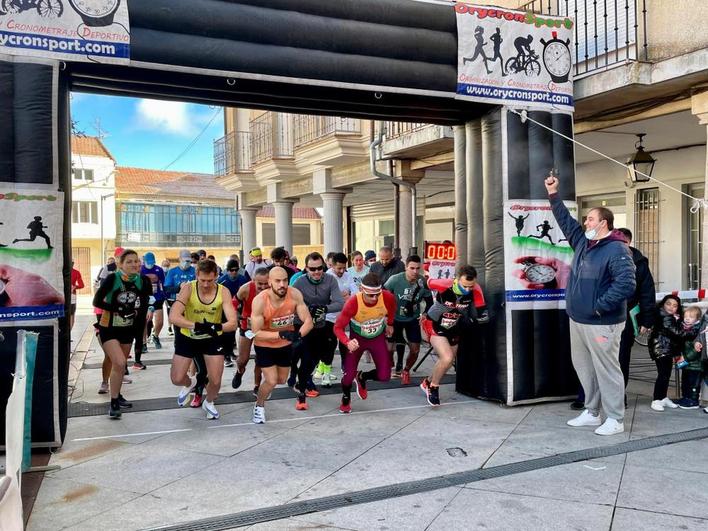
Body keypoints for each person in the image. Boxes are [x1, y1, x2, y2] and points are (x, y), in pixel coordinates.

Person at [545, 173, 636, 436]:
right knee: (585, 369)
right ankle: (593, 412)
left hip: (601, 322)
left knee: (607, 370)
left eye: (591, 218)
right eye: (586, 219)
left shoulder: (617, 249)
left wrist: (598, 306)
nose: (586, 221)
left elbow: (626, 285)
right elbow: (565, 221)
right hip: (579, 319)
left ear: (604, 223)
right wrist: (553, 194)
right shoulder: (584, 243)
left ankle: (615, 419)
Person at [571, 227, 656, 410]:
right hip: (594, 318)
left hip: (622, 317)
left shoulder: (639, 262)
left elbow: (647, 293)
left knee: (619, 360)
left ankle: (618, 399)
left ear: (629, 243)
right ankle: (586, 398)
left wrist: (647, 320)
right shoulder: (598, 253)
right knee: (589, 359)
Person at [168, 259, 237, 420]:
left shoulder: (223, 291)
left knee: (215, 380)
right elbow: (173, 316)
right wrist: (196, 325)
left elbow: (233, 323)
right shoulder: (188, 288)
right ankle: (189, 383)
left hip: (212, 338)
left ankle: (210, 402)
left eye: (210, 280)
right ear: (196, 275)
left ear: (217, 277)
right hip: (188, 336)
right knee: (176, 378)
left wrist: (215, 327)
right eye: (202, 280)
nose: (206, 284)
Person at [92, 249, 152, 418]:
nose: (134, 264)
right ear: (121, 264)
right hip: (108, 327)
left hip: (128, 329)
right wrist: (119, 309)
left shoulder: (143, 281)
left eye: (136, 261)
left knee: (121, 365)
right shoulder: (113, 278)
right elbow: (96, 301)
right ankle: (113, 404)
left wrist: (140, 339)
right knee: (118, 362)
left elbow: (143, 308)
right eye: (129, 262)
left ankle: (117, 395)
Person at [250, 266, 313, 422]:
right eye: (277, 281)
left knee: (281, 380)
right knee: (271, 380)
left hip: (284, 345)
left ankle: (265, 390)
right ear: (269, 282)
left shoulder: (295, 294)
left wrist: (298, 335)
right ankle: (259, 406)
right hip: (264, 345)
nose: (282, 284)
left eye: (284, 280)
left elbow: (308, 321)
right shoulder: (260, 301)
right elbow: (256, 331)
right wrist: (279, 333)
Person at [420, 265, 488, 405]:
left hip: (453, 326)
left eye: (471, 286)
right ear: (456, 280)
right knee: (447, 357)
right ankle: (433, 387)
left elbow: (482, 310)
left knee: (448, 362)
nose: (468, 289)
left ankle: (427, 382)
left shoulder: (476, 288)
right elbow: (425, 282)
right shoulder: (445, 284)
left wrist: (482, 317)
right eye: (464, 286)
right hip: (434, 323)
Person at [333, 273, 397, 414]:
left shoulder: (387, 297)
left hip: (377, 338)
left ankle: (362, 377)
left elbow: (392, 310)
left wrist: (390, 324)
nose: (374, 298)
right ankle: (346, 397)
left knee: (385, 375)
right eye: (370, 295)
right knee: (348, 376)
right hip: (358, 340)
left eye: (377, 294)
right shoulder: (353, 302)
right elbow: (337, 327)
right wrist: (347, 341)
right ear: (361, 289)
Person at [292, 252, 344, 409]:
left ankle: (305, 376)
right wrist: (306, 310)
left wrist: (323, 308)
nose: (316, 272)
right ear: (306, 268)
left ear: (324, 266)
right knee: (304, 356)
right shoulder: (299, 283)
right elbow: (290, 305)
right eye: (312, 269)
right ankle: (302, 388)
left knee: (319, 354)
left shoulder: (330, 279)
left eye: (319, 268)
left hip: (321, 323)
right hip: (301, 323)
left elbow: (339, 303)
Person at [384, 255, 433, 383]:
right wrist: (385, 316)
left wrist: (425, 314)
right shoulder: (394, 280)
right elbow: (382, 297)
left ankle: (406, 370)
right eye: (412, 268)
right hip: (394, 318)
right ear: (406, 267)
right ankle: (391, 364)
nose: (415, 272)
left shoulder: (422, 282)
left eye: (418, 268)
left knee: (415, 350)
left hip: (413, 319)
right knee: (389, 349)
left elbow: (430, 302)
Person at [648, 295, 698, 411]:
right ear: (663, 304)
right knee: (663, 374)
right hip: (661, 348)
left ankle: (663, 397)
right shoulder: (665, 316)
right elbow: (678, 333)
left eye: (675, 305)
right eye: (669, 304)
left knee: (666, 374)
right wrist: (694, 330)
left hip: (665, 348)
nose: (671, 307)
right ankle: (656, 400)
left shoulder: (670, 316)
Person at [315, 252, 358, 386]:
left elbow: (355, 293)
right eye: (338, 268)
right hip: (329, 317)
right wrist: (342, 297)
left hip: (344, 316)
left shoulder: (347, 275)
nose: (341, 271)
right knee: (330, 345)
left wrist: (346, 296)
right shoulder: (326, 277)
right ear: (332, 265)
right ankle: (324, 373)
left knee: (345, 344)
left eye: (343, 268)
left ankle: (344, 369)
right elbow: (327, 298)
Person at [231, 267, 270, 395]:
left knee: (261, 359)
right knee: (243, 359)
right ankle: (239, 371)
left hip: (264, 328)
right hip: (246, 327)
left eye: (266, 283)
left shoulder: (274, 290)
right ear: (254, 281)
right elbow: (233, 304)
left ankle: (257, 386)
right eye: (260, 284)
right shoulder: (246, 288)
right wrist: (237, 316)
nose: (263, 287)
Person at [217, 258, 248, 367]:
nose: (234, 272)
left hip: (239, 309)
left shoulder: (243, 279)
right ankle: (226, 355)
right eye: (231, 270)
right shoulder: (222, 280)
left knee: (235, 332)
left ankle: (230, 352)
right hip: (225, 309)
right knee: (227, 333)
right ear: (228, 270)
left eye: (236, 270)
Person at [139, 252, 166, 358]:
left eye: (152, 263)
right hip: (145, 298)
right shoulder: (140, 269)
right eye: (148, 262)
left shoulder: (159, 270)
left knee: (160, 322)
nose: (150, 264)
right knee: (145, 321)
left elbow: (164, 283)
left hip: (157, 297)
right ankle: (144, 343)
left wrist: (164, 295)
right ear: (144, 261)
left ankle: (155, 336)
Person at [164, 250, 196, 337]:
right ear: (180, 259)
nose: (187, 263)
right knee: (178, 330)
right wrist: (179, 287)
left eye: (189, 261)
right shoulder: (172, 272)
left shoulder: (195, 271)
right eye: (185, 261)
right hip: (177, 304)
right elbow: (167, 288)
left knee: (191, 329)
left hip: (192, 305)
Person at [676, 306, 703, 409]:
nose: (687, 318)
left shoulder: (697, 331)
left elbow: (696, 351)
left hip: (695, 364)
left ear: (697, 319)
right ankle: (686, 397)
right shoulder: (684, 329)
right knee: (686, 382)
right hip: (687, 363)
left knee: (694, 384)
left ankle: (693, 401)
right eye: (686, 316)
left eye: (691, 317)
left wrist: (686, 358)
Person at [70, 261, 84, 331]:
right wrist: (74, 287)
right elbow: (82, 285)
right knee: (72, 316)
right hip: (72, 296)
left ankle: (66, 336)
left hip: (61, 296)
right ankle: (69, 335)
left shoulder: (60, 272)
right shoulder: (76, 272)